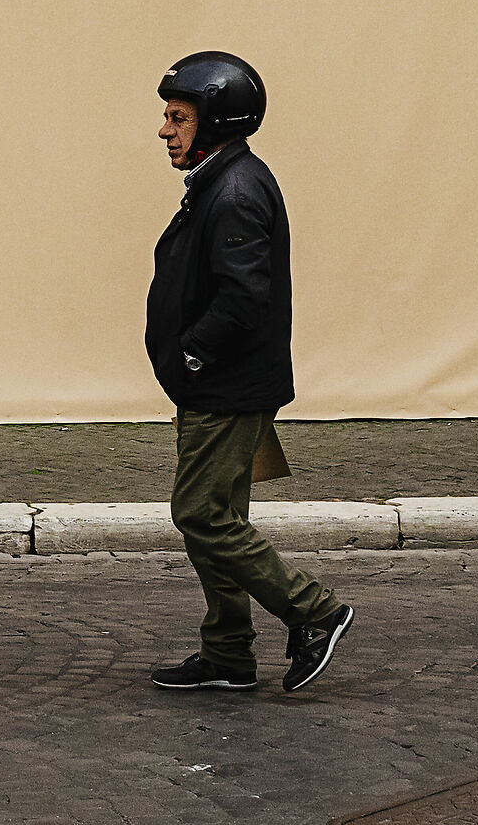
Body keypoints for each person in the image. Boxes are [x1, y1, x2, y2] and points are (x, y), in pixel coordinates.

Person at [145, 51, 355, 694]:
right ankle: (229, 654)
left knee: (202, 516)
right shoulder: (221, 178)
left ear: (213, 122)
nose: (164, 130)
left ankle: (314, 612)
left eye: (177, 118)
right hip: (216, 383)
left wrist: (192, 353)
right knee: (218, 519)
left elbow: (243, 295)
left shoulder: (235, 190)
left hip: (224, 387)